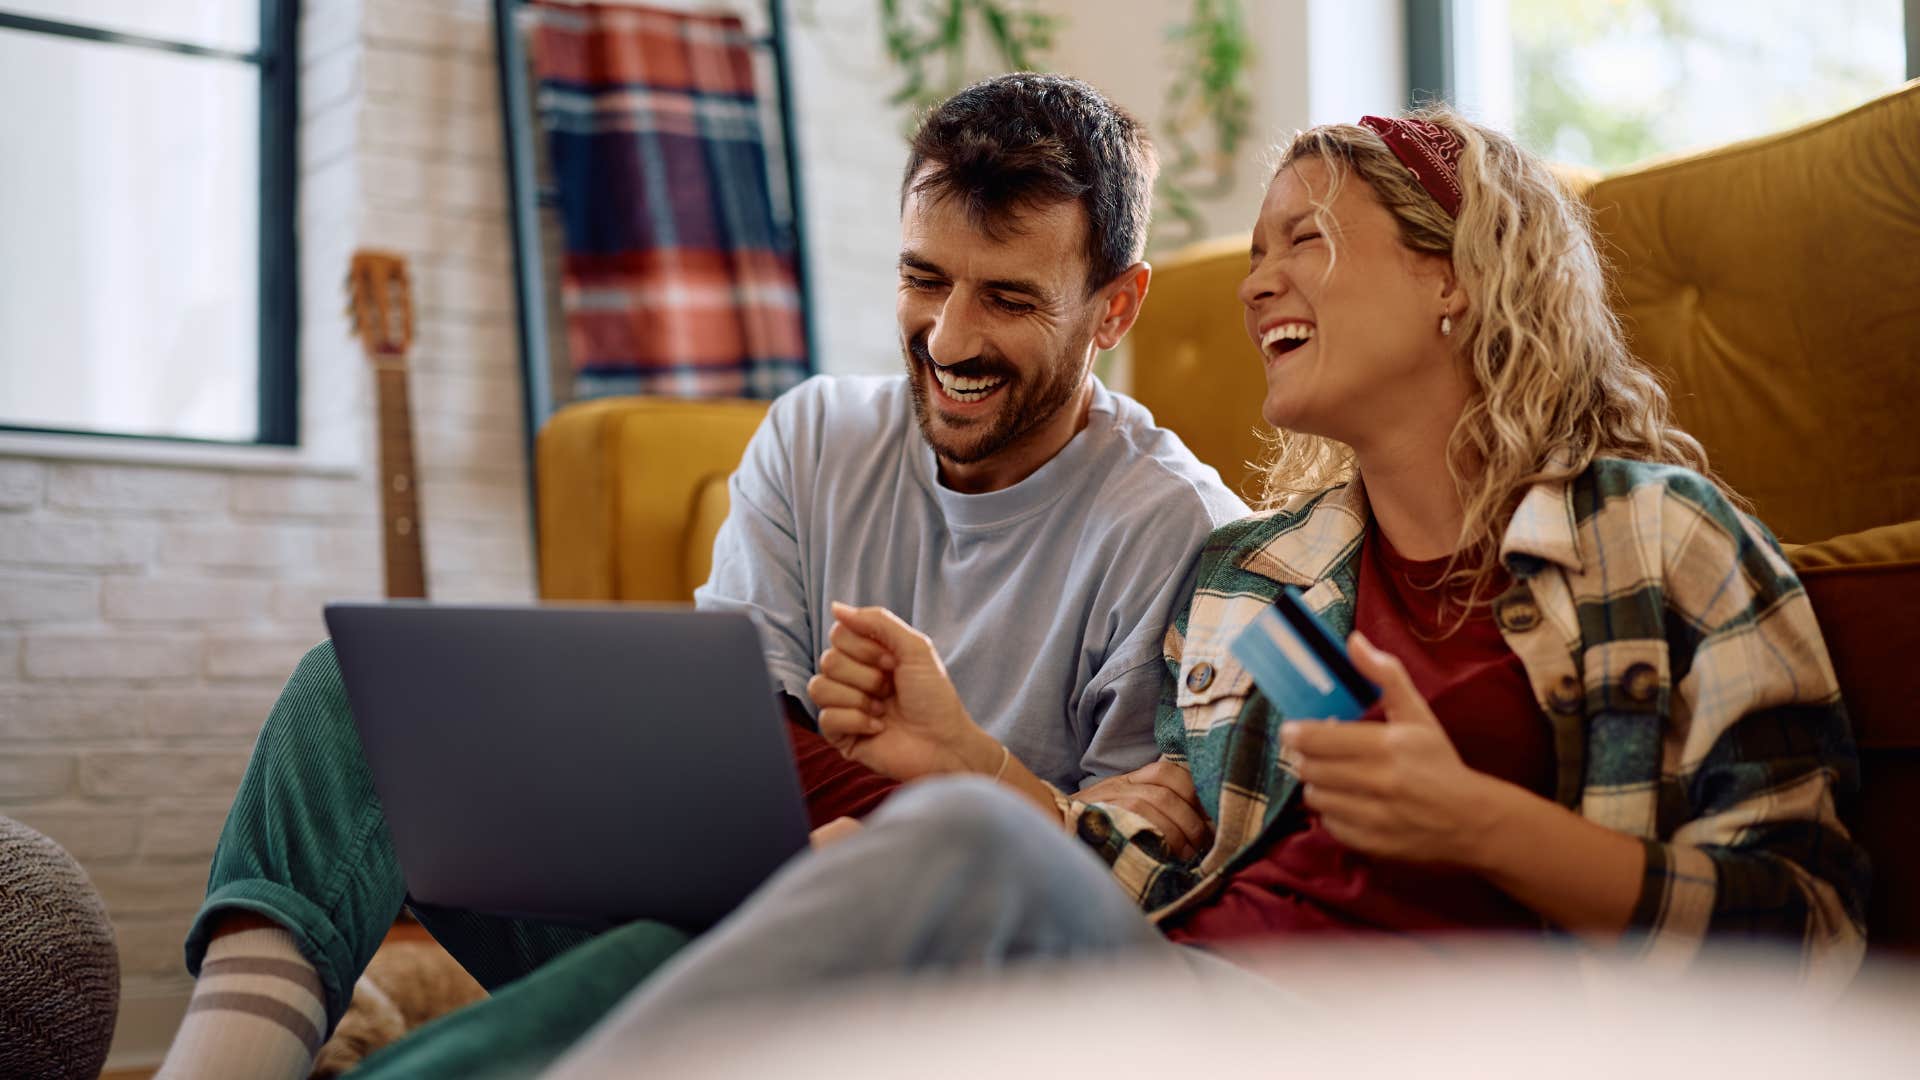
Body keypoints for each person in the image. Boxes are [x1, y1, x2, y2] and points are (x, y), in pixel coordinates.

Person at [544, 107, 1870, 1072]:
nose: (1256, 282)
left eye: (1307, 239)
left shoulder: (1657, 544)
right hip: (1174, 992)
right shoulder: (1263, 584)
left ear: (1455, 278)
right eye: (1255, 250)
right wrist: (963, 759)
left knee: (927, 865)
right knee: (705, 928)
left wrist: (1473, 822)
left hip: (1386, 1037)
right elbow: (1156, 861)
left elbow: (1806, 935)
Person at [156, 73, 1246, 1080]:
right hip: (749, 898)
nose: (947, 337)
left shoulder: (1177, 532)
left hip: (915, 998)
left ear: (1115, 306)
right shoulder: (815, 437)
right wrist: (928, 794)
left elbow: (1120, 895)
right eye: (924, 279)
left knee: (660, 960)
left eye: (1008, 299)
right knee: (365, 696)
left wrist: (940, 789)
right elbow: (736, 759)